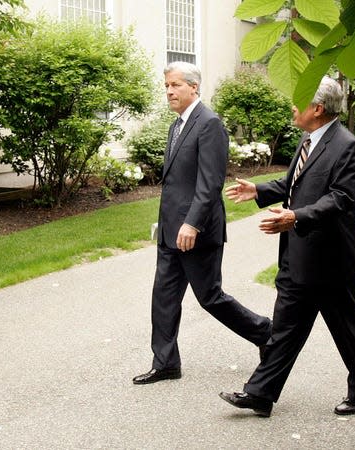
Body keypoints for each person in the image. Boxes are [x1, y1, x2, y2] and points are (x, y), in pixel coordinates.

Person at [219, 76, 355, 417]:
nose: (293, 106)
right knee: (285, 328)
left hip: (331, 261)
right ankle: (260, 394)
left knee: (348, 330)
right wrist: (259, 191)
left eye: (299, 100)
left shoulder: (346, 146)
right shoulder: (309, 139)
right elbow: (293, 184)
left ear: (317, 109)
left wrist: (296, 217)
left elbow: (341, 198)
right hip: (297, 255)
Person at [133, 61, 271, 385]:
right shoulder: (176, 125)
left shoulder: (209, 124)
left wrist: (191, 224)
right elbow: (177, 183)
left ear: (194, 87)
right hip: (170, 232)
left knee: (209, 297)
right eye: (166, 85)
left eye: (175, 85)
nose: (168, 91)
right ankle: (165, 362)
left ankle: (266, 333)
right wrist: (167, 224)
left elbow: (210, 184)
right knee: (163, 297)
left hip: (197, 232)